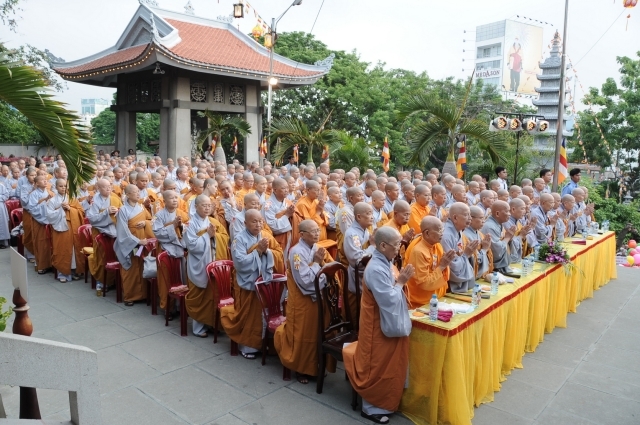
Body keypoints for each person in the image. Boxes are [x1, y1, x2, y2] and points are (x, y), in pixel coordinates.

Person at [344, 226, 415, 424]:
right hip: (377, 324)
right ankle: (371, 407)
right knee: (377, 363)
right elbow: (388, 299)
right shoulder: (376, 268)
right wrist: (401, 281)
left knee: (391, 363)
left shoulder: (386, 262)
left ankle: (386, 401)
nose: (399, 249)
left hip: (387, 319)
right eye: (396, 245)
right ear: (383, 246)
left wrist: (400, 282)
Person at [274, 219, 334, 384]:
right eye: (313, 231)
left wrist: (325, 268)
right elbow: (305, 280)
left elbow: (328, 268)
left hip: (317, 299)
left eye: (317, 230)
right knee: (302, 335)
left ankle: (314, 366)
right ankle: (301, 369)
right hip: (302, 301)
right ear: (302, 234)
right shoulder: (296, 252)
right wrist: (317, 263)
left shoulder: (316, 247)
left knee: (316, 333)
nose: (317, 233)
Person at [220, 209, 284, 357]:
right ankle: (248, 347)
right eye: (254, 221)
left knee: (263, 313)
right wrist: (258, 251)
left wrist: (268, 252)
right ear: (245, 223)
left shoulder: (266, 235)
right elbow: (240, 263)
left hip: (264, 283)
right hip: (247, 283)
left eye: (260, 221)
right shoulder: (239, 239)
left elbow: (279, 253)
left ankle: (264, 343)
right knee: (250, 315)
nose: (258, 224)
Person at [183, 195, 230, 337]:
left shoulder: (214, 221)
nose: (207, 208)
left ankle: (210, 323)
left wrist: (215, 236)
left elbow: (225, 237)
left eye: (209, 205)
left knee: (212, 294)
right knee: (199, 295)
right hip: (198, 264)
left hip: (213, 261)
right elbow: (191, 246)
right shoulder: (190, 224)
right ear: (195, 206)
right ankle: (198, 328)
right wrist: (207, 236)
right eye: (204, 205)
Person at [114, 185, 154, 306]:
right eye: (135, 192)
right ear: (128, 195)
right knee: (130, 269)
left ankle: (143, 294)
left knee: (141, 266)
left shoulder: (141, 207)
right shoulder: (123, 210)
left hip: (142, 241)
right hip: (130, 244)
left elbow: (151, 220)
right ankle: (130, 296)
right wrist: (137, 241)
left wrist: (146, 223)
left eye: (138, 192)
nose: (138, 194)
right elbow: (122, 231)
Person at [404, 216, 455, 309]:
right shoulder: (418, 252)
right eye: (439, 231)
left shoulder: (437, 245)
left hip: (435, 298)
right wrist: (442, 266)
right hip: (421, 303)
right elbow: (424, 283)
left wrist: (445, 264)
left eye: (442, 230)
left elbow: (443, 273)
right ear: (427, 233)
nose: (442, 234)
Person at [152, 190, 189, 315]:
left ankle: (181, 306)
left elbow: (189, 229)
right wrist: (172, 226)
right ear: (164, 201)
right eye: (171, 198)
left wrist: (181, 226)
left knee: (181, 276)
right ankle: (168, 307)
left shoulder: (182, 213)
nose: (174, 200)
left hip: (180, 248)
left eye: (176, 198)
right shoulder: (159, 215)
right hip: (165, 250)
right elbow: (157, 233)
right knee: (166, 278)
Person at [86, 178, 123, 292]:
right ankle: (102, 281)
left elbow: (122, 213)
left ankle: (114, 280)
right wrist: (106, 212)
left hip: (115, 233)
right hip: (101, 234)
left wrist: (118, 212)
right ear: (98, 188)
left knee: (116, 256)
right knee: (102, 258)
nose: (108, 188)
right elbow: (92, 219)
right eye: (105, 187)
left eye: (110, 186)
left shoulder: (115, 198)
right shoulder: (95, 201)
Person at [46, 179, 85, 282]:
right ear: (56, 187)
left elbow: (81, 212)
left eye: (65, 186)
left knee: (74, 249)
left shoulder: (72, 198)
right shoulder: (52, 201)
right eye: (60, 186)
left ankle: (74, 271)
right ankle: (62, 273)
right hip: (60, 230)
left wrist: (70, 209)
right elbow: (49, 216)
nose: (63, 188)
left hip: (73, 227)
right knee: (62, 249)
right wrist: (60, 209)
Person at [441, 202, 478, 293]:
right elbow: (451, 265)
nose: (470, 218)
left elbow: (459, 254)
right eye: (466, 215)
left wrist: (465, 255)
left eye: (470, 215)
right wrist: (466, 255)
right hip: (446, 283)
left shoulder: (458, 230)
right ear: (455, 218)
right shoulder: (446, 235)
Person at [482, 200, 518, 277]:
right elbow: (496, 252)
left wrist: (509, 239)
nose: (510, 214)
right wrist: (507, 238)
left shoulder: (499, 224)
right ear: (497, 214)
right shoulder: (490, 226)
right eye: (507, 211)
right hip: (492, 268)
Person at [26, 175, 54, 274]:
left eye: (46, 180)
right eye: (42, 180)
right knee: (41, 243)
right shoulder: (33, 194)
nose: (45, 181)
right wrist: (45, 201)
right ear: (37, 183)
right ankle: (42, 265)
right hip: (39, 222)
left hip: (49, 221)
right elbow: (32, 209)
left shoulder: (50, 192)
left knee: (50, 243)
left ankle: (51, 264)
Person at [262, 178, 294, 253]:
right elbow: (271, 226)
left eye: (287, 187)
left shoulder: (288, 202)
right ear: (275, 190)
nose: (286, 190)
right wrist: (286, 215)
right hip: (275, 240)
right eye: (283, 188)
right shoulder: (268, 205)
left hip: (289, 237)